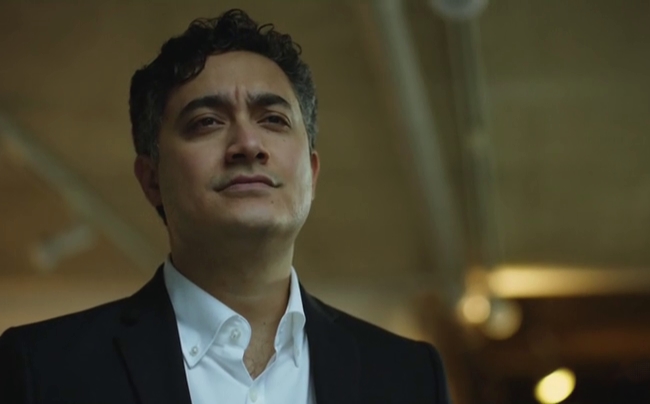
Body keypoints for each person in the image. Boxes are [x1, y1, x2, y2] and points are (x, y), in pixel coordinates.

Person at [0, 9, 451, 404]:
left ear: (311, 174)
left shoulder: (408, 376)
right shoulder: (45, 369)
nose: (248, 144)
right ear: (152, 179)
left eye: (273, 119)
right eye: (207, 122)